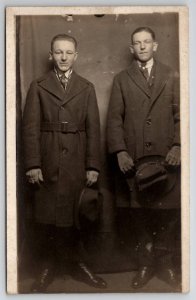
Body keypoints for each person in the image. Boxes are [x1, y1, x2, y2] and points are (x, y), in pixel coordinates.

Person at [23, 33, 107, 292]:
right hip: (47, 160)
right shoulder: (38, 85)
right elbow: (30, 128)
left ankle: (77, 263)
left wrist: (92, 165)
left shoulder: (87, 87)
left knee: (75, 215)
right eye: (58, 52)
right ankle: (48, 266)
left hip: (76, 161)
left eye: (68, 52)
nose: (63, 57)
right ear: (51, 55)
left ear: (76, 56)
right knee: (48, 215)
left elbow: (94, 130)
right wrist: (33, 163)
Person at [107, 27, 181, 289]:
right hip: (134, 160)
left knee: (167, 214)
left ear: (155, 45)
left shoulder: (172, 75)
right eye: (137, 43)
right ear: (131, 49)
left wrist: (179, 145)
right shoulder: (121, 79)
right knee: (139, 216)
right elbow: (114, 119)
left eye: (146, 42)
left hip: (167, 158)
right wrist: (120, 151)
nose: (142, 47)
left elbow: (182, 115)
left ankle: (166, 264)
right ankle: (146, 265)